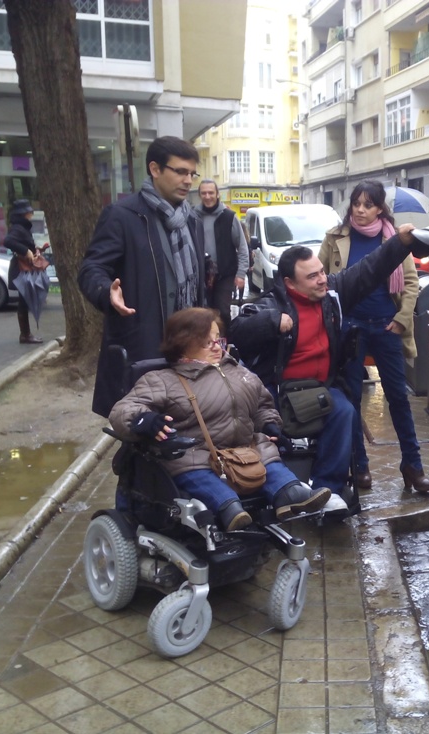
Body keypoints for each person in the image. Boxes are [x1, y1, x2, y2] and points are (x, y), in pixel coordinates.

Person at [228, 223, 421, 514]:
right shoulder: (272, 303)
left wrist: (401, 243)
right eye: (313, 276)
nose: (322, 280)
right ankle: (283, 489)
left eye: (322, 272)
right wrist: (271, 323)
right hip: (278, 388)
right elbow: (238, 329)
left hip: (321, 386)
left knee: (345, 411)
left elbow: (369, 269)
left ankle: (325, 490)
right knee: (266, 426)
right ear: (290, 284)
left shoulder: (333, 293)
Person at [109, 308, 331, 527]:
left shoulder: (240, 373)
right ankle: (229, 509)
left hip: (245, 451)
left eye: (218, 339)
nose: (217, 347)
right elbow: (124, 409)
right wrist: (144, 420)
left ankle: (289, 495)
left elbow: (263, 405)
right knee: (197, 473)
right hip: (196, 454)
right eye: (207, 342)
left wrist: (270, 425)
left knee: (269, 460)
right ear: (182, 345)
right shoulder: (162, 380)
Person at [78, 136, 208, 417]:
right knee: (141, 430)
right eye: (180, 171)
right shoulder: (123, 216)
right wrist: (106, 292)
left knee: (185, 425)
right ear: (155, 169)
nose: (188, 181)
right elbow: (91, 269)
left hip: (188, 346)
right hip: (144, 346)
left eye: (192, 174)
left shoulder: (192, 221)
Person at [319, 180, 429, 494]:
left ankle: (413, 464)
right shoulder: (335, 237)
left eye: (368, 204)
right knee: (351, 399)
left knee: (398, 397)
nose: (361, 210)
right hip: (350, 328)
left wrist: (399, 320)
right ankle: (360, 465)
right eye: (357, 203)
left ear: (380, 208)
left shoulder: (394, 239)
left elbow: (411, 284)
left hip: (386, 327)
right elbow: (322, 281)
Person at [194, 179, 248, 323]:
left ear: (218, 194)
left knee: (222, 312)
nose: (207, 196)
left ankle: (224, 342)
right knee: (202, 312)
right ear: (200, 195)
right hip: (200, 274)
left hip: (225, 274)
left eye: (211, 193)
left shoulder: (229, 217)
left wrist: (241, 274)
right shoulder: (193, 217)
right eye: (203, 193)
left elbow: (242, 247)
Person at [4, 199, 44, 344]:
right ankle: (25, 335)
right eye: (29, 211)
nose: (31, 214)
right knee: (24, 301)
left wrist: (35, 249)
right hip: (22, 268)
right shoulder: (18, 228)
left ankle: (25, 334)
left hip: (24, 266)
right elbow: (8, 241)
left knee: (24, 300)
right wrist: (26, 250)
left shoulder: (21, 227)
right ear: (24, 213)